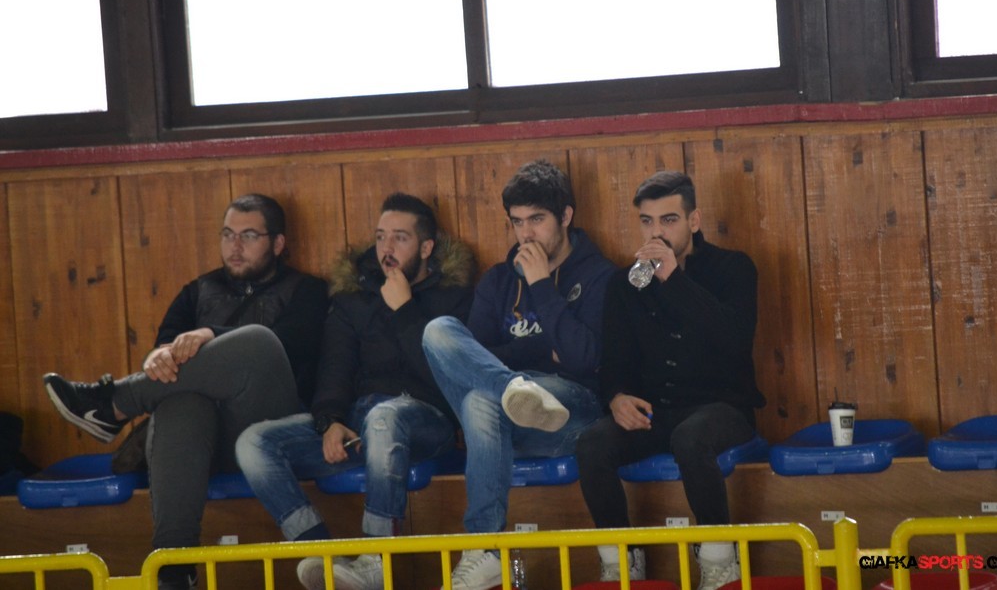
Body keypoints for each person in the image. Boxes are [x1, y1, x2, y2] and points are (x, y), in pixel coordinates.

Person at [42, 193, 329, 590]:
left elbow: (292, 345)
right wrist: (158, 357)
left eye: (249, 236)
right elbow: (160, 360)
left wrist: (210, 333)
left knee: (260, 341)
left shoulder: (308, 291)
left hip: (269, 429)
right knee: (182, 402)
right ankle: (175, 567)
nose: (235, 246)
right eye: (227, 234)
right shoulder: (197, 291)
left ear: (278, 244)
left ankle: (114, 402)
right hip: (198, 445)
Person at [236, 192, 475, 590]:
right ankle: (320, 551)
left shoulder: (455, 297)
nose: (387, 248)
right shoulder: (354, 298)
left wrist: (405, 311)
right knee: (254, 442)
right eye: (381, 237)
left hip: (426, 421)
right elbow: (335, 368)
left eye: (400, 238)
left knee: (386, 416)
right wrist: (330, 421)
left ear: (426, 248)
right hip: (362, 424)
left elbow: (451, 377)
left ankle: (377, 559)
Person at [422, 159, 615, 590]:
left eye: (537, 220)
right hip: (504, 416)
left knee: (481, 398)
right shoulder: (497, 281)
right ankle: (513, 389)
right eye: (517, 222)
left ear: (566, 216)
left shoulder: (600, 276)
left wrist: (542, 285)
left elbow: (585, 360)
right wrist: (538, 354)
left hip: (571, 412)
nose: (526, 234)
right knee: (439, 334)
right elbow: (471, 359)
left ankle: (484, 545)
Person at [575, 171, 765, 590]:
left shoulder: (734, 268)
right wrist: (617, 397)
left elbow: (734, 340)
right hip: (656, 412)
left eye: (669, 220)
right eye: (647, 221)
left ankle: (719, 560)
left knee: (691, 438)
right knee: (591, 443)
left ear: (694, 221)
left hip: (722, 406)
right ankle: (621, 561)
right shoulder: (626, 283)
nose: (656, 232)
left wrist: (673, 279)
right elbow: (615, 360)